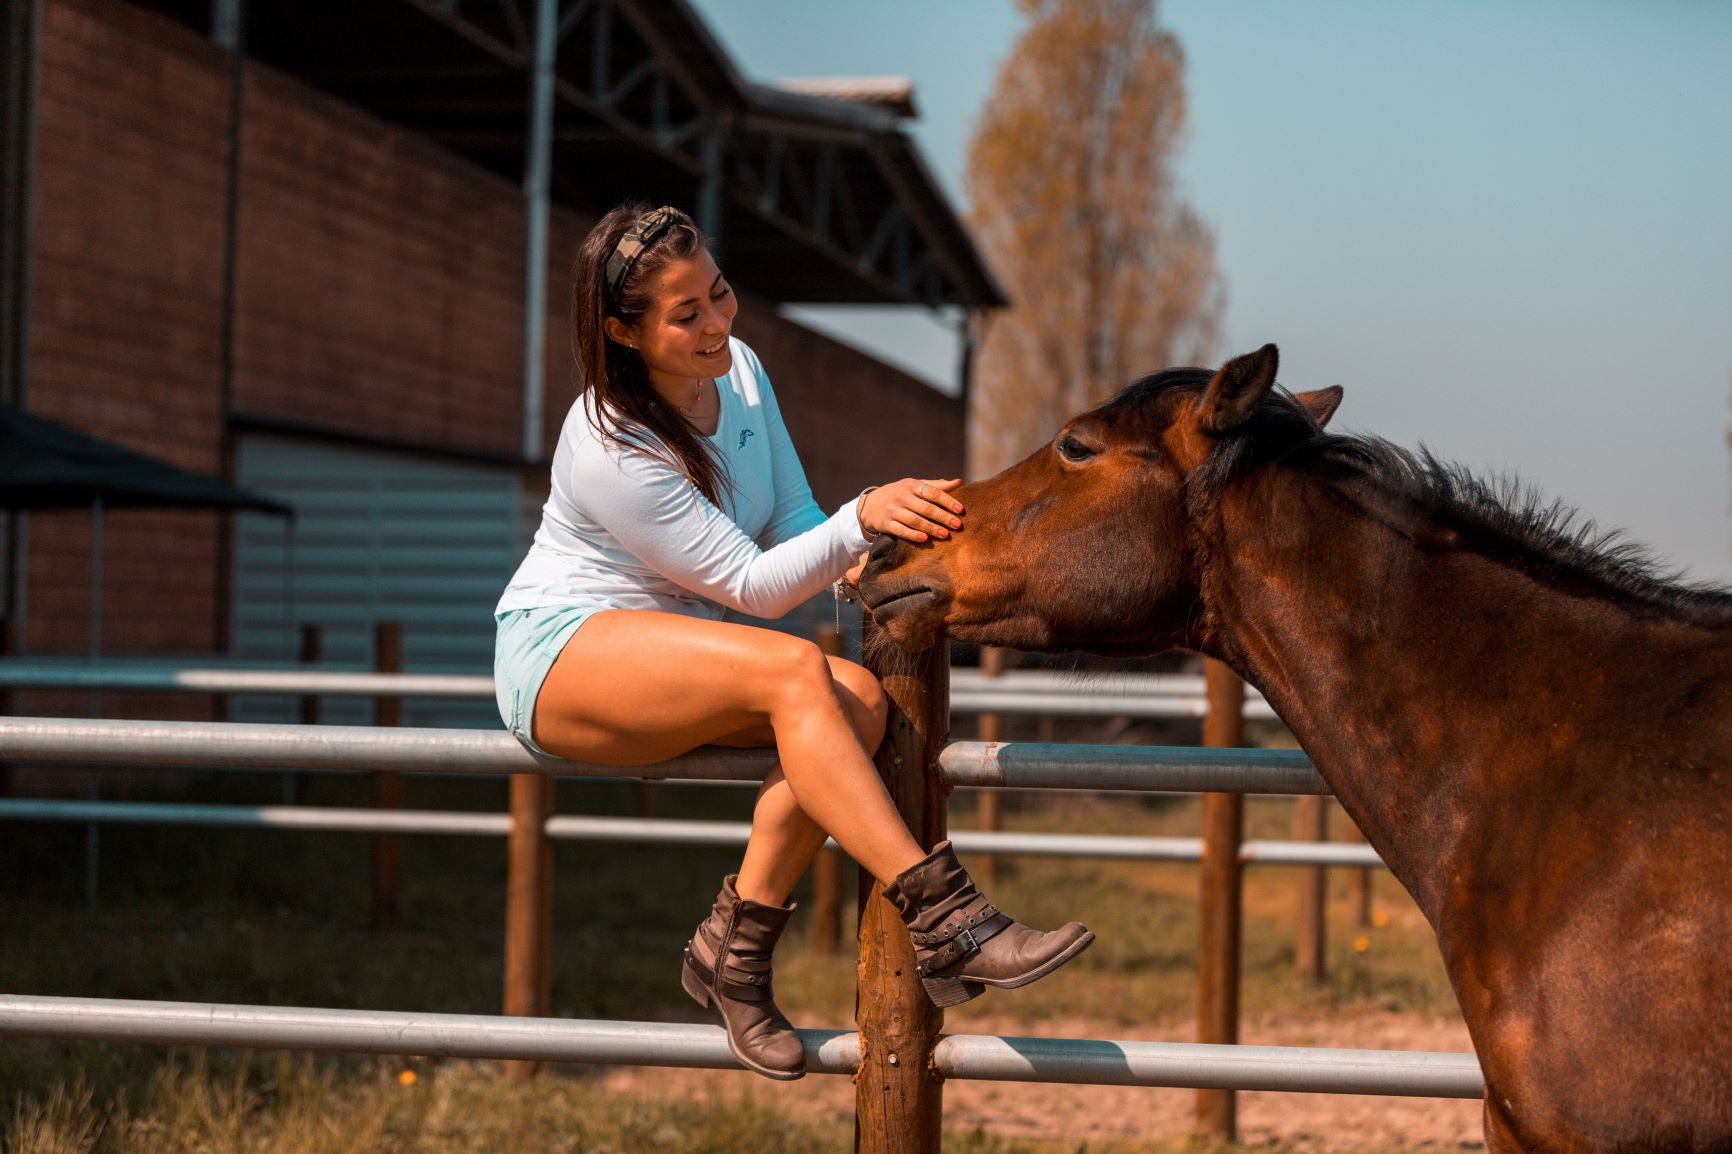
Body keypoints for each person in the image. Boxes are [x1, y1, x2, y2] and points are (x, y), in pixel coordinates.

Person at [493, 203, 1093, 1081]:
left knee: (857, 702)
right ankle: (949, 918)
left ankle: (731, 958)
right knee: (797, 669)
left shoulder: (740, 371)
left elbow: (792, 520)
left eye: (721, 294)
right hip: (561, 655)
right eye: (686, 313)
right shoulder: (609, 441)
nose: (718, 323)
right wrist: (860, 517)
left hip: (676, 654)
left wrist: (874, 559)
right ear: (624, 332)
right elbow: (754, 587)